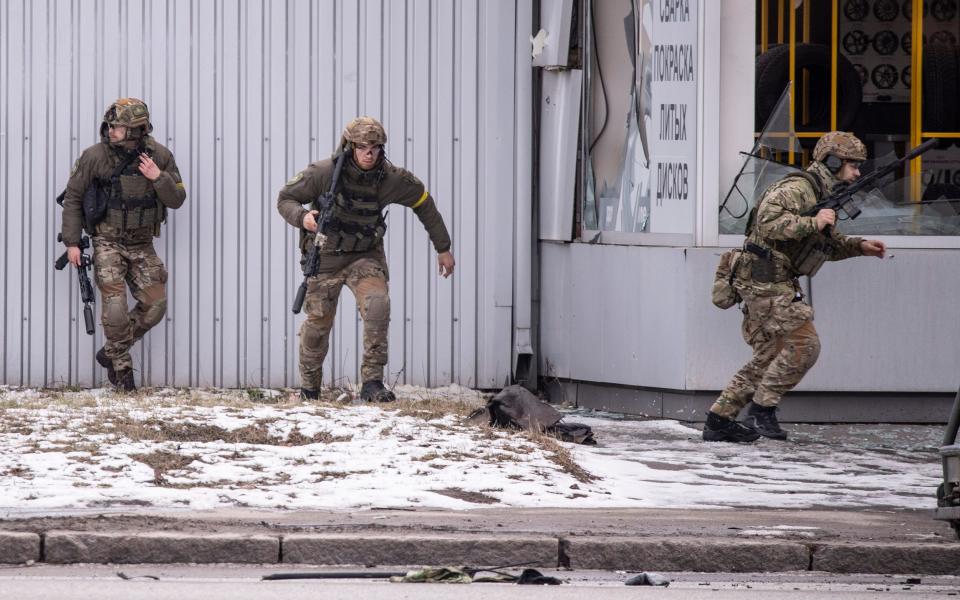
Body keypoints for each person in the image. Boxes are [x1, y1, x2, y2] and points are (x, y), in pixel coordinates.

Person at [703, 131, 886, 442]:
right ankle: (761, 411)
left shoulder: (821, 195)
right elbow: (766, 222)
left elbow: (826, 243)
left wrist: (860, 247)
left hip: (774, 282)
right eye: (853, 165)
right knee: (804, 346)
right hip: (764, 281)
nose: (857, 173)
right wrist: (811, 222)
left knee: (770, 355)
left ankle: (719, 419)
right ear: (832, 161)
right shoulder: (797, 189)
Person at [277, 116, 455, 402]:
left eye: (374, 147)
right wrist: (303, 217)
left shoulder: (392, 178)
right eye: (362, 147)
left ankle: (372, 383)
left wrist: (443, 248)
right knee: (318, 323)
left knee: (378, 306)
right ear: (349, 147)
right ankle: (310, 389)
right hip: (326, 257)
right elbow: (285, 198)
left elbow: (424, 202)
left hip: (365, 256)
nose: (368, 153)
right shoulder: (322, 173)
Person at [60, 98, 186, 391]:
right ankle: (123, 373)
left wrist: (158, 178)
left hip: (142, 243)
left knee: (156, 305)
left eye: (118, 127)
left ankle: (112, 350)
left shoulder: (159, 156)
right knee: (114, 309)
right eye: (111, 125)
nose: (111, 130)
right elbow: (73, 198)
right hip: (107, 241)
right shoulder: (95, 156)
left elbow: (177, 199)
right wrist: (72, 242)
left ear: (135, 130)